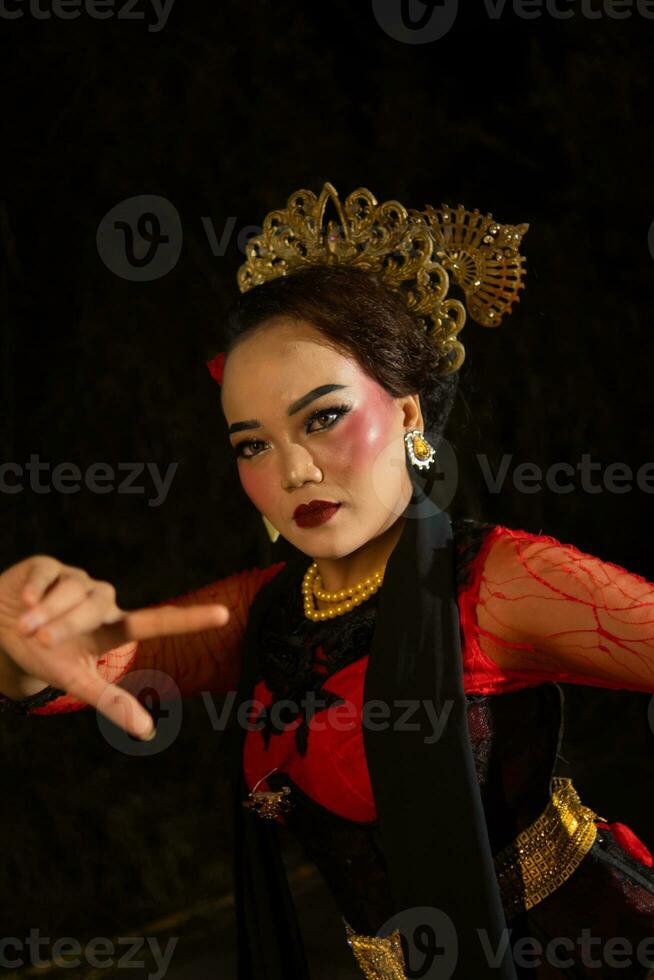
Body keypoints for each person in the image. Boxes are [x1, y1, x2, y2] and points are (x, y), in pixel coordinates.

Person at [1, 183, 654, 980]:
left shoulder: (497, 582)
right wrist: (27, 635)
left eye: (323, 417)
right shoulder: (263, 611)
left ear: (409, 417)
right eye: (253, 445)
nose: (295, 469)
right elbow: (73, 671)